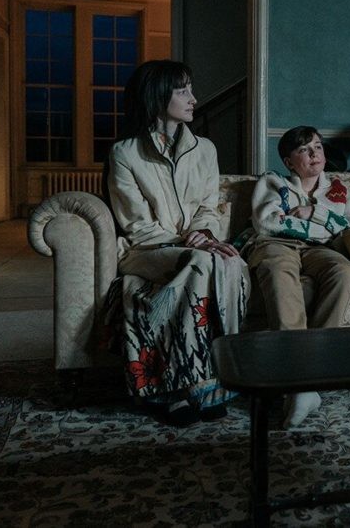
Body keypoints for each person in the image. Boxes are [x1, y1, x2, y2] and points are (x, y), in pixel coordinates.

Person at [107, 59, 250, 427]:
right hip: (146, 251)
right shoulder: (125, 153)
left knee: (232, 262)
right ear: (157, 97)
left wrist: (204, 235)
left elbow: (208, 208)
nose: (193, 98)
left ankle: (200, 381)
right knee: (203, 262)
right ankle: (187, 385)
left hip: (193, 249)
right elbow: (137, 225)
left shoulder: (205, 149)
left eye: (191, 89)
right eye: (183, 90)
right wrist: (191, 242)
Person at [244, 126, 350, 428]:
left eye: (318, 147)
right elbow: (268, 222)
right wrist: (326, 226)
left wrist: (313, 214)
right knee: (278, 270)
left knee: (344, 271)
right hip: (276, 244)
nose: (314, 154)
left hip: (319, 249)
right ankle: (298, 380)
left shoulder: (338, 188)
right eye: (304, 150)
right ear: (289, 161)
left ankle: (310, 371)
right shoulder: (274, 182)